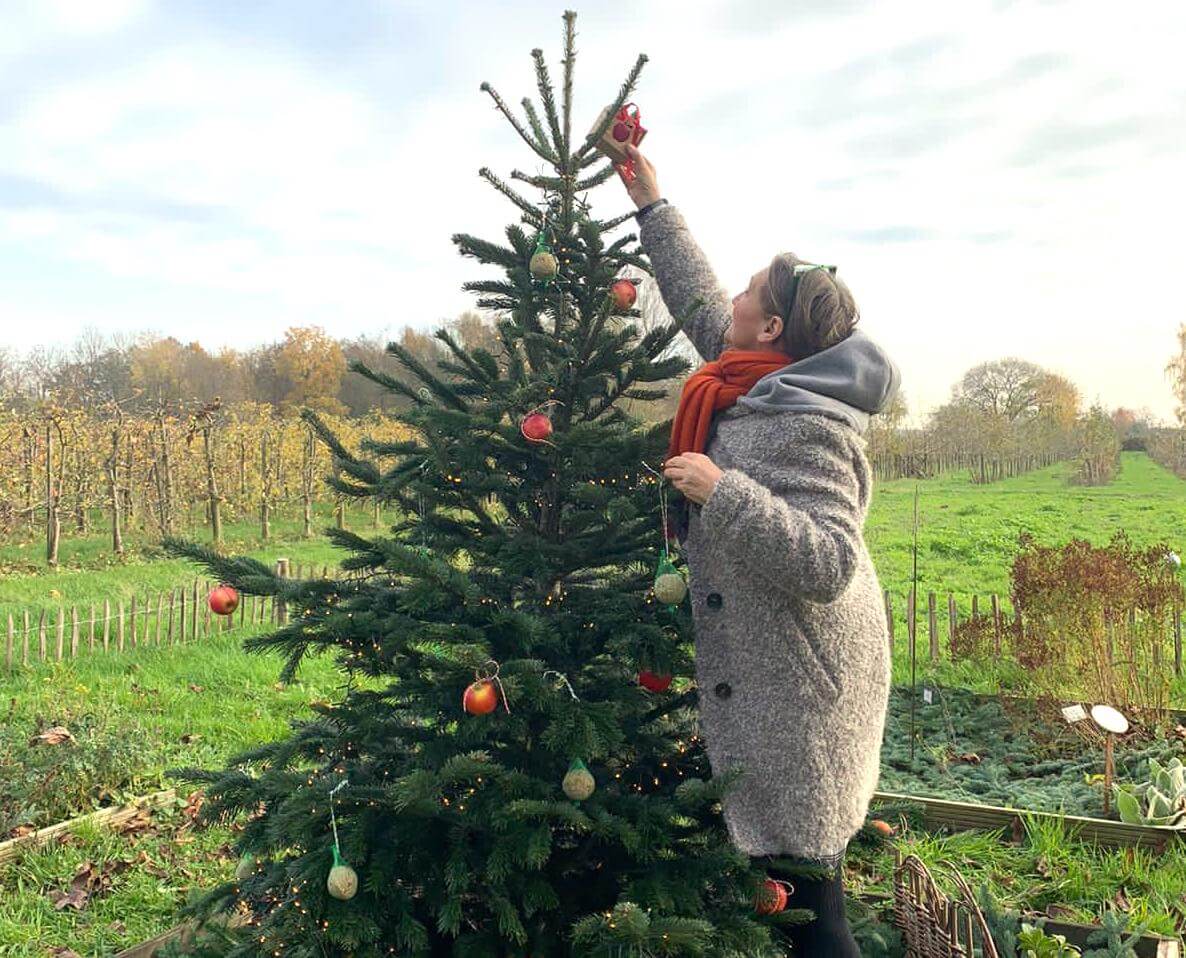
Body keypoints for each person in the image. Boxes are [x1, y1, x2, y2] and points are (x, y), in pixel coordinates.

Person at [616, 141, 901, 957]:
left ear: (772, 326)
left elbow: (828, 562)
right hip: (777, 670)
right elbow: (701, 300)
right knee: (789, 902)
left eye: (750, 293)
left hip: (805, 694)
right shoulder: (752, 373)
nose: (731, 301)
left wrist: (722, 491)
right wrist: (650, 202)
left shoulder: (811, 424)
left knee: (814, 911)